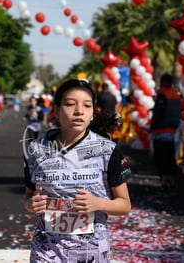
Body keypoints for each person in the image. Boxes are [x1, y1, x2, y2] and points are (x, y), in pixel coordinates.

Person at [23, 79, 131, 262]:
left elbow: (124, 204)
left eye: (87, 106)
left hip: (90, 253)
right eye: (70, 104)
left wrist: (97, 203)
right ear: (56, 110)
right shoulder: (35, 148)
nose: (79, 111)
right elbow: (28, 196)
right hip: (47, 252)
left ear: (92, 114)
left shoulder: (107, 150)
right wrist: (31, 205)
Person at [150, 73, 182, 190]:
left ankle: (164, 185)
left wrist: (152, 128)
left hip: (160, 131)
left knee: (161, 158)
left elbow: (159, 113)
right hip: (172, 131)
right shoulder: (176, 95)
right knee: (170, 157)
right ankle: (172, 183)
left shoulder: (162, 95)